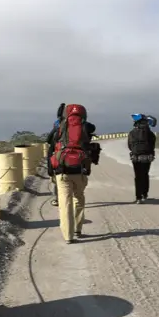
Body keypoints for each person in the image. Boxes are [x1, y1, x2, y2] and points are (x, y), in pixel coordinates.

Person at [50, 104, 96, 244]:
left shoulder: (60, 126)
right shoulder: (87, 126)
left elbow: (50, 142)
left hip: (62, 170)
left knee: (65, 202)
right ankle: (78, 229)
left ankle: (68, 236)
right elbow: (92, 130)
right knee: (79, 198)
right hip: (80, 169)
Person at [128, 113, 157, 204]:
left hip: (136, 157)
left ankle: (138, 197)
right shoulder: (150, 133)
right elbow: (153, 145)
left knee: (138, 176)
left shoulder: (132, 133)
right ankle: (145, 194)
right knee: (145, 174)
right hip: (147, 157)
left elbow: (130, 146)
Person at [46, 103, 66, 206]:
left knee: (57, 179)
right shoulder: (78, 124)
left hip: (59, 157)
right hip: (75, 159)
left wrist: (49, 167)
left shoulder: (57, 124)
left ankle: (57, 199)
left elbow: (49, 140)